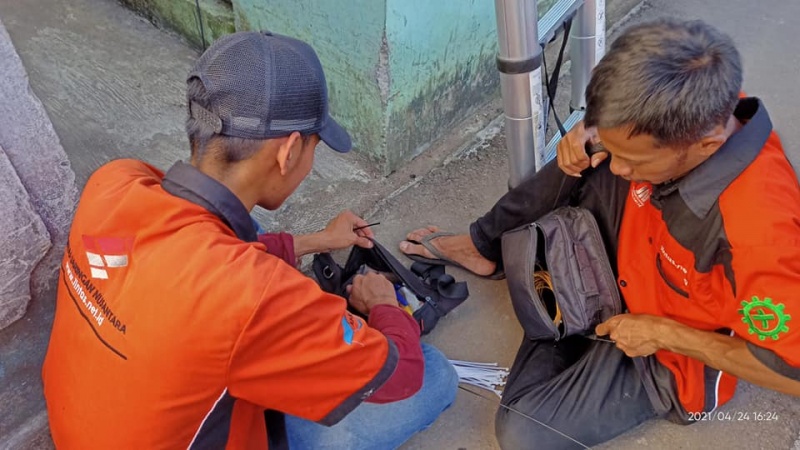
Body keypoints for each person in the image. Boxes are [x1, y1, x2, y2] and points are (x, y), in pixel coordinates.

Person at [42, 31, 457, 450]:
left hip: (88, 423)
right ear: (288, 152)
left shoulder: (115, 181)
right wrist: (383, 304)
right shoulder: (254, 295)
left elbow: (201, 257)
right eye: (314, 147)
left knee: (243, 226)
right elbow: (401, 375)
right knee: (435, 375)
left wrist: (317, 241)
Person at [399, 18, 800, 449]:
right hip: (631, 245)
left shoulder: (761, 233)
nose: (619, 168)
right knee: (586, 155)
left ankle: (557, 308)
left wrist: (662, 335)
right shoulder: (692, 96)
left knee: (524, 431)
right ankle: (489, 250)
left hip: (664, 350)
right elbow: (619, 135)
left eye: (635, 160)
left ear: (707, 143)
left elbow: (791, 371)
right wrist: (593, 131)